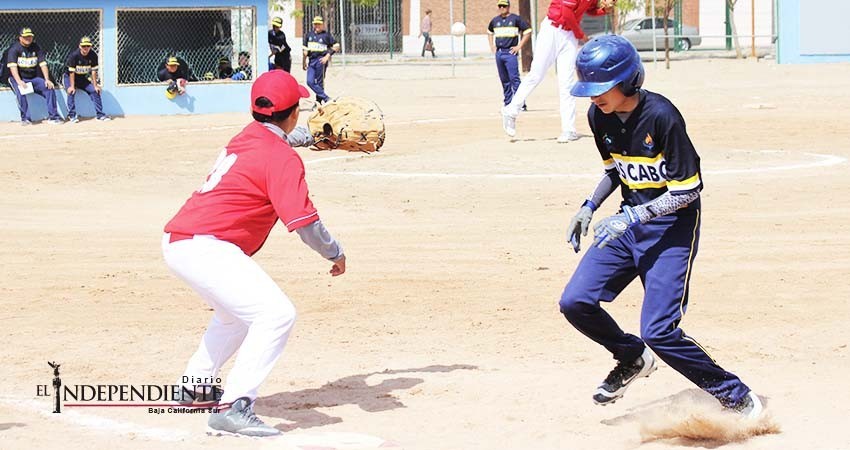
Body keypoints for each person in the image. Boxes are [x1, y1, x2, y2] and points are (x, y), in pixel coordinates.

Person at [559, 35, 763, 419]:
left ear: (628, 81)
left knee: (659, 330)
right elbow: (615, 171)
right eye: (588, 89)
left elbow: (688, 190)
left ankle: (734, 394)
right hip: (625, 227)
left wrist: (632, 216)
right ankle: (631, 356)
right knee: (575, 302)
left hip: (671, 229)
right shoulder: (597, 116)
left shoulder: (662, 115)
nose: (593, 97)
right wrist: (589, 206)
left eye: (601, 88)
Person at [162, 70, 346, 437]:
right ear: (293, 113)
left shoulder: (247, 136)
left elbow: (277, 141)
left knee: (234, 318)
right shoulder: (282, 159)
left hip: (181, 241)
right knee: (276, 315)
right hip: (208, 247)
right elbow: (304, 224)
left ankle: (196, 386)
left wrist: (312, 137)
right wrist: (335, 253)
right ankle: (234, 407)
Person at [500, 0, 614, 143]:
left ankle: (569, 129)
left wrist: (603, 10)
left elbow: (588, 9)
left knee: (567, 82)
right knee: (536, 74)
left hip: (569, 34)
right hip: (552, 29)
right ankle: (511, 111)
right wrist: (580, 35)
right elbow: (566, 13)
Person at [5, 27, 62, 125]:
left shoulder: (36, 47)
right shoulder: (14, 49)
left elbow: (43, 64)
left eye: (30, 36)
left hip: (32, 77)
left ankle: (53, 117)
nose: (28, 38)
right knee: (20, 91)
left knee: (49, 88)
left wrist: (47, 79)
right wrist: (19, 82)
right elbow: (13, 68)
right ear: (20, 38)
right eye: (25, 36)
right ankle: (25, 118)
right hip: (18, 78)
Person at [487, 0, 531, 109]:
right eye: (500, 6)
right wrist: (492, 46)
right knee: (504, 79)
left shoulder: (515, 19)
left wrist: (519, 46)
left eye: (504, 6)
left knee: (514, 79)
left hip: (510, 53)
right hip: (500, 53)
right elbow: (489, 32)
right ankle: (508, 102)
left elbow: (528, 31)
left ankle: (520, 103)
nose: (502, 8)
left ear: (508, 7)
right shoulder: (495, 21)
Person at [63, 36, 110, 122]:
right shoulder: (74, 56)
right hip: (69, 77)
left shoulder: (93, 55)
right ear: (80, 46)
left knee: (94, 91)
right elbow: (71, 72)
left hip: (81, 77)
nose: (86, 48)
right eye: (84, 46)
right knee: (71, 91)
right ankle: (72, 115)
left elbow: (93, 71)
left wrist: (95, 85)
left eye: (88, 46)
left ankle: (100, 115)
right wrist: (72, 86)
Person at [302, 16, 337, 104]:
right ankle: (326, 98)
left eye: (319, 24)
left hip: (321, 60)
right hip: (311, 61)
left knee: (320, 82)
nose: (317, 26)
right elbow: (305, 50)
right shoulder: (309, 35)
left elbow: (336, 46)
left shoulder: (326, 35)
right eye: (315, 24)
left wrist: (327, 56)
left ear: (322, 25)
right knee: (309, 81)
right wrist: (304, 61)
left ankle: (318, 102)